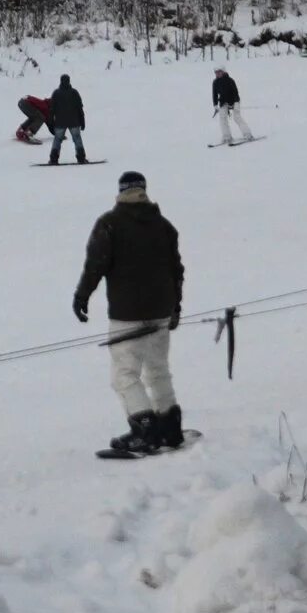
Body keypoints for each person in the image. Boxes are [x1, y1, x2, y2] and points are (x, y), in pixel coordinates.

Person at [73, 170, 186, 457]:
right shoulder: (164, 225)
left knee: (125, 374)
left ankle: (144, 429)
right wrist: (176, 306)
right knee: (158, 368)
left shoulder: (110, 225)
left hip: (127, 313)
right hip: (161, 310)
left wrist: (82, 296)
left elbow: (95, 264)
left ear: (121, 192)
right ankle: (170, 424)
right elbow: (177, 270)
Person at [46, 74, 89, 165]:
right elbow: (79, 108)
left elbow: (52, 109)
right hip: (74, 121)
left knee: (57, 140)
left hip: (60, 122)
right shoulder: (74, 93)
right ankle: (81, 158)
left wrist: (50, 121)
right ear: (69, 81)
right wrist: (82, 121)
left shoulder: (56, 93)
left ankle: (53, 159)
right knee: (77, 139)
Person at [211, 68, 254, 145]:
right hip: (223, 102)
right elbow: (214, 95)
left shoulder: (230, 80)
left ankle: (248, 134)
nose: (217, 74)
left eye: (218, 72)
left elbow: (236, 93)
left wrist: (236, 104)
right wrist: (215, 105)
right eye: (215, 72)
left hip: (234, 100)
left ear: (223, 72)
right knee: (222, 118)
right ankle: (227, 137)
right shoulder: (215, 82)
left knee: (237, 117)